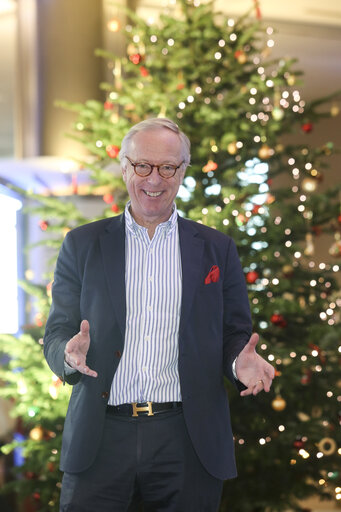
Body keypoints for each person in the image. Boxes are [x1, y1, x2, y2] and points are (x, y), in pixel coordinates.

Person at [43, 117, 275, 512]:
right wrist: (68, 352)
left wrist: (240, 362)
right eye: (142, 166)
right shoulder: (82, 246)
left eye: (168, 167)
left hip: (186, 438)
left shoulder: (217, 249)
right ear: (124, 166)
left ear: (182, 171)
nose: (155, 178)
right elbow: (57, 333)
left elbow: (234, 333)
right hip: (100, 436)